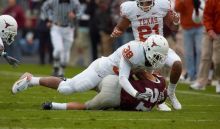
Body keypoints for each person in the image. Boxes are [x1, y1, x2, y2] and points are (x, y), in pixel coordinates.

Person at [12, 35, 170, 110]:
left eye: (160, 57)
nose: (158, 60)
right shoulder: (133, 50)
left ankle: (55, 80)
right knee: (66, 88)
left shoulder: (149, 58)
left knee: (102, 103)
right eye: (157, 55)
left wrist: (157, 102)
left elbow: (144, 77)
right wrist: (136, 94)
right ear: (148, 48)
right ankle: (31, 79)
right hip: (102, 72)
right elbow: (123, 77)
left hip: (113, 81)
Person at [110, 0, 182, 111]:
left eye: (148, 2)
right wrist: (117, 31)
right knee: (152, 76)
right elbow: (120, 27)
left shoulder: (161, 5)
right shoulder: (130, 8)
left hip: (161, 47)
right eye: (142, 3)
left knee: (177, 64)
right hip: (142, 50)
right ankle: (159, 101)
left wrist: (176, 22)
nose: (145, 6)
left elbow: (174, 28)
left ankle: (171, 93)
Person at [42, 72, 168, 111]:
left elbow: (138, 71)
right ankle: (53, 105)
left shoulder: (160, 80)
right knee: (86, 106)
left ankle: (66, 81)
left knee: (81, 83)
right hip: (113, 99)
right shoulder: (150, 106)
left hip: (113, 81)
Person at [41, 0, 81, 77]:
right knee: (58, 49)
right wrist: (47, 19)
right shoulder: (53, 1)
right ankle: (56, 65)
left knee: (66, 53)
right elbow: (44, 7)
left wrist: (75, 15)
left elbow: (81, 13)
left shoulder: (75, 2)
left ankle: (61, 71)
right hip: (56, 27)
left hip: (69, 28)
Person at [190, 0, 220, 94]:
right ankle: (201, 82)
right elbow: (207, 15)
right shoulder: (212, 1)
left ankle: (219, 81)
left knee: (217, 60)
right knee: (205, 56)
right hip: (209, 31)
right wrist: (210, 29)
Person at [175, 0, 204, 82]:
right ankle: (191, 75)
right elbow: (177, 8)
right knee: (188, 52)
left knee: (200, 50)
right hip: (186, 27)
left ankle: (199, 75)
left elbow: (202, 6)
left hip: (199, 26)